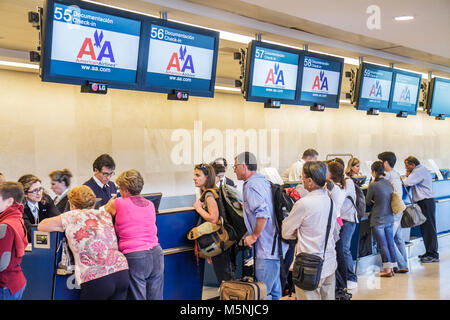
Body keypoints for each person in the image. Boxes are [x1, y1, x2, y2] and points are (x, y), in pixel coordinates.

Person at [37, 185, 129, 300]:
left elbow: (42, 225)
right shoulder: (104, 214)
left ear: (72, 204)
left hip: (97, 276)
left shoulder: (71, 216)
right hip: (121, 271)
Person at [103, 169, 164, 300]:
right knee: (156, 297)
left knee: (136, 296)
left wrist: (110, 202)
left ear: (125, 189)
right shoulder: (150, 204)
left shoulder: (117, 203)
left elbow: (100, 215)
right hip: (157, 254)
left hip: (135, 256)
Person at [282, 161, 338, 300]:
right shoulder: (330, 201)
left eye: (302, 177)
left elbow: (286, 232)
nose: (301, 180)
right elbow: (335, 230)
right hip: (329, 263)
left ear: (310, 181)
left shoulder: (303, 203)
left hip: (308, 267)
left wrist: (299, 232)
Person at [234, 152, 286, 300]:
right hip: (275, 246)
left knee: (263, 294)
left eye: (235, 166)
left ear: (244, 166)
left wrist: (254, 236)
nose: (234, 170)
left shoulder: (251, 185)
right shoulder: (263, 182)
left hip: (266, 249)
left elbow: (263, 214)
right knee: (274, 292)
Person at [193, 163, 233, 284]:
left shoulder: (209, 194)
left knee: (224, 279)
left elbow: (213, 218)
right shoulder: (216, 190)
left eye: (197, 175)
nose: (194, 178)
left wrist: (198, 208)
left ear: (207, 177)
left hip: (219, 240)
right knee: (225, 275)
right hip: (224, 239)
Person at [402, 156, 439, 263]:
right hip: (425, 202)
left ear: (412, 165)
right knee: (426, 228)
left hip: (426, 202)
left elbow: (406, 182)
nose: (406, 168)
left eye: (407, 166)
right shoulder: (420, 170)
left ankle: (433, 254)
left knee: (429, 228)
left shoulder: (418, 171)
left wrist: (406, 176)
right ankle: (429, 251)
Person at [378, 151, 409, 273]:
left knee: (388, 238)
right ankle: (404, 263)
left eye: (380, 162)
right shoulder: (396, 173)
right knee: (398, 239)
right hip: (398, 209)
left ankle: (401, 265)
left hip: (392, 211)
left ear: (386, 162)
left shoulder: (387, 176)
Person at [366, 161, 397, 277]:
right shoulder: (389, 183)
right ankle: (392, 268)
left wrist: (374, 201)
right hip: (389, 218)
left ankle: (387, 270)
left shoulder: (373, 185)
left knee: (382, 245)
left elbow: (368, 201)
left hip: (378, 219)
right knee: (390, 243)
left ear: (374, 172)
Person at [0, 182, 28, 300]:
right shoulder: (17, 218)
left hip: (5, 285)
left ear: (10, 201)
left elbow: (1, 263)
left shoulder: (6, 225)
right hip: (15, 281)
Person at [18, 174, 60, 242]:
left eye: (40, 189)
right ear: (25, 193)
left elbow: (57, 220)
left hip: (48, 241)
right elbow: (28, 229)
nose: (39, 193)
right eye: (35, 190)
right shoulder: (19, 206)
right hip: (27, 243)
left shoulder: (46, 199)